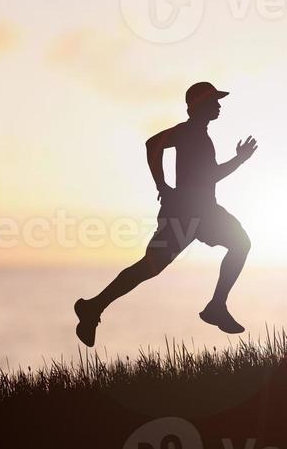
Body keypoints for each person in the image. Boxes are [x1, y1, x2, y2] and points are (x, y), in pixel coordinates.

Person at [74, 82, 256, 346]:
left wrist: (165, 186)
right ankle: (93, 308)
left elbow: (199, 171)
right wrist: (163, 185)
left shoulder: (198, 135)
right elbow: (154, 146)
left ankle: (216, 306)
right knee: (150, 266)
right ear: (199, 105)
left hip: (201, 212)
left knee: (238, 243)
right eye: (214, 101)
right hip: (187, 213)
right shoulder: (190, 132)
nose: (219, 106)